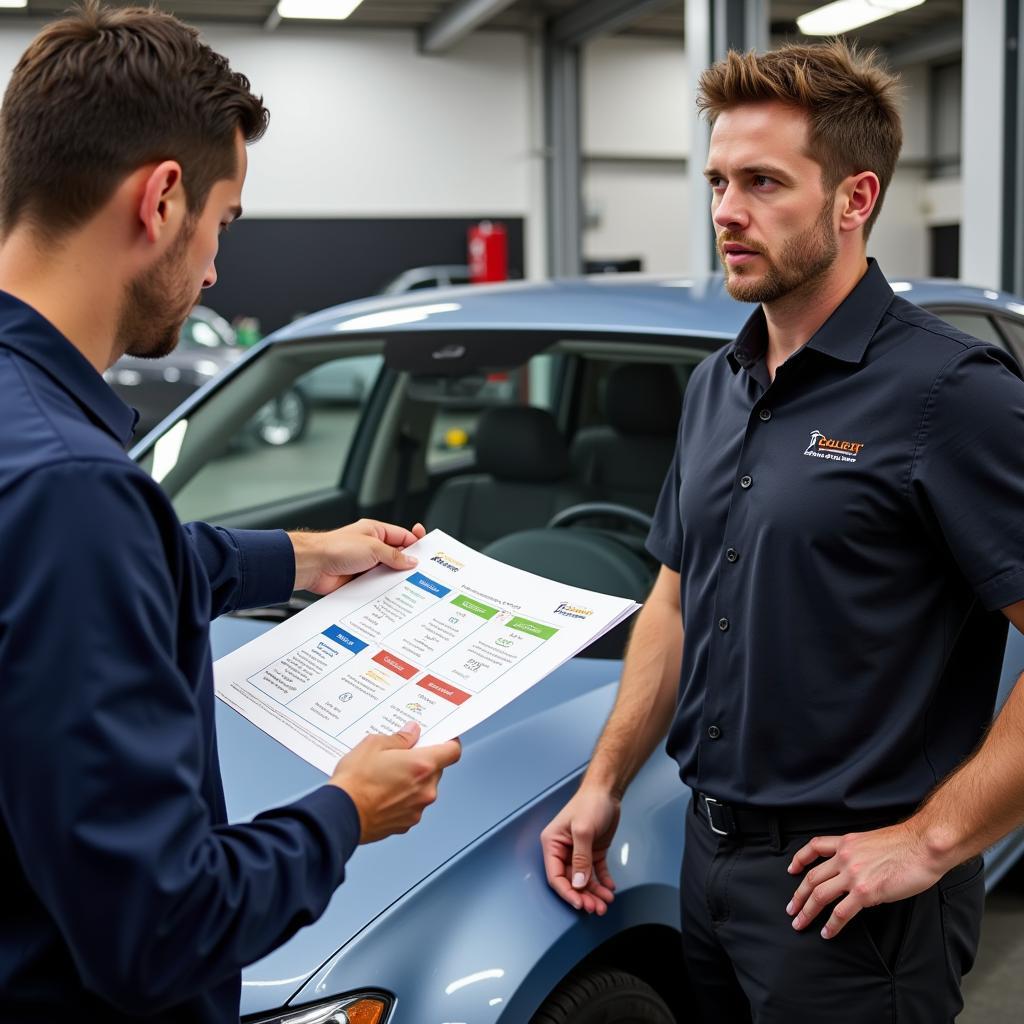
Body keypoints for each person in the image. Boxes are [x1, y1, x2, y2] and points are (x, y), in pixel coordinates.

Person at [541, 39, 1024, 1022]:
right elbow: (673, 599)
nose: (725, 211)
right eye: (718, 180)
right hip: (707, 865)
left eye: (762, 182)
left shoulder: (949, 396)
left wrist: (930, 842)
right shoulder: (718, 384)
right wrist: (603, 783)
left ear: (854, 200)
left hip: (853, 894)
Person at [0, 4, 460, 1022]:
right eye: (224, 223)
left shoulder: (34, 455)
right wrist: (346, 812)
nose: (213, 268)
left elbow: (85, 571)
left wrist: (298, 556)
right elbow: (159, 928)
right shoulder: (73, 490)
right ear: (162, 199)